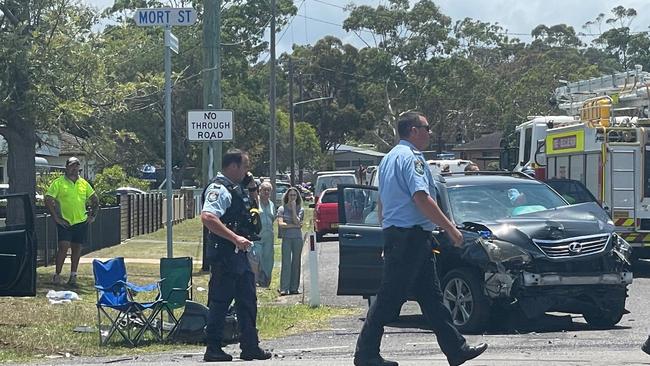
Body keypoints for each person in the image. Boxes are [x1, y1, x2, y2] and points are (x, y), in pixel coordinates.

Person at [353, 112, 487, 366]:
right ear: (414, 130)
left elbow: (383, 203)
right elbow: (421, 198)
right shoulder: (412, 159)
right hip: (410, 236)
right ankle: (366, 353)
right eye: (427, 128)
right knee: (389, 298)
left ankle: (456, 349)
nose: (430, 133)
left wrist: (388, 234)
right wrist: (450, 229)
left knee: (431, 297)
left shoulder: (389, 158)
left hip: (405, 236)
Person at [201, 149, 271, 362]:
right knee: (220, 302)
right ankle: (213, 348)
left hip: (239, 256)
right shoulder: (219, 188)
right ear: (233, 166)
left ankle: (250, 346)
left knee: (248, 300)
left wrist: (252, 190)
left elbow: (253, 216)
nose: (247, 171)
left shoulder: (239, 189)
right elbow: (208, 217)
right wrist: (235, 238)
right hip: (224, 255)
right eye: (245, 166)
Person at [45, 156, 99, 287]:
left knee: (77, 249)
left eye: (76, 166)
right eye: (71, 166)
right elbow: (47, 199)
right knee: (63, 247)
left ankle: (73, 276)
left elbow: (95, 199)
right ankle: (57, 275)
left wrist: (92, 216)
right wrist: (56, 218)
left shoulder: (84, 183)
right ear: (66, 167)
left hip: (80, 222)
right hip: (65, 222)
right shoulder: (58, 183)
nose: (74, 169)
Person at [277, 186, 304, 296]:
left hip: (297, 238)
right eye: (290, 195)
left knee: (296, 262)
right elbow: (281, 224)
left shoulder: (300, 209)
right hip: (286, 238)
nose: (292, 197)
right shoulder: (281, 209)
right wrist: (293, 225)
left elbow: (298, 222)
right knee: (286, 262)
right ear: (287, 196)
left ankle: (294, 288)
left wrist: (293, 209)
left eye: (294, 195)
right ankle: (284, 288)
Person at [254, 181, 275, 287]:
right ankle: (256, 280)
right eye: (264, 190)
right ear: (260, 190)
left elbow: (273, 218)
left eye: (268, 190)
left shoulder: (271, 204)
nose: (266, 192)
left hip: (269, 235)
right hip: (257, 235)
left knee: (268, 259)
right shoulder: (255, 202)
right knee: (256, 256)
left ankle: (265, 280)